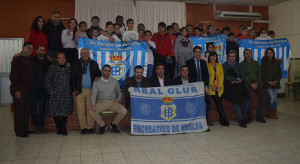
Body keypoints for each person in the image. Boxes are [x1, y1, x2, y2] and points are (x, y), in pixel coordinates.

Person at [90, 65, 127, 134]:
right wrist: (93, 105)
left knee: (123, 111)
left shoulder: (114, 81)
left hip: (112, 102)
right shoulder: (96, 82)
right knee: (92, 112)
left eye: (109, 71)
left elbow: (119, 93)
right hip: (101, 102)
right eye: (105, 70)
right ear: (102, 71)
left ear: (110, 72)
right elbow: (93, 95)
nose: (107, 72)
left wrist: (118, 99)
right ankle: (103, 125)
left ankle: (113, 124)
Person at [72, 48, 101, 134]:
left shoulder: (94, 63)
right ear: (80, 54)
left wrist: (98, 76)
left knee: (90, 109)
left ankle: (90, 127)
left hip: (91, 90)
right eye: (83, 53)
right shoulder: (76, 63)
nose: (85, 55)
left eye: (86, 53)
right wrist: (74, 89)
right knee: (80, 110)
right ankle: (83, 127)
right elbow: (72, 77)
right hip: (79, 90)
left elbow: (99, 73)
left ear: (89, 54)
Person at [10, 42, 35, 137]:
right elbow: (13, 76)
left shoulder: (30, 59)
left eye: (31, 48)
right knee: (19, 110)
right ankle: (19, 131)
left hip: (28, 88)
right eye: (28, 47)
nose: (30, 49)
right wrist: (16, 90)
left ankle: (25, 128)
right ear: (23, 48)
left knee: (26, 109)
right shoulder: (17, 59)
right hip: (19, 88)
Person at [45, 52, 73, 135]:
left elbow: (71, 80)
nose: (62, 59)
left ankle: (64, 128)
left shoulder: (68, 68)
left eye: (63, 58)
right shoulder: (52, 67)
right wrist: (51, 91)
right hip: (55, 94)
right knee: (55, 112)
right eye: (60, 58)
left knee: (64, 113)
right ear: (56, 59)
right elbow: (47, 80)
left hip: (66, 94)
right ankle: (58, 127)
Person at [222, 50, 250, 128]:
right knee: (234, 100)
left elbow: (242, 75)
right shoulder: (224, 65)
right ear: (228, 57)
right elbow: (226, 76)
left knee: (247, 97)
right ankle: (241, 120)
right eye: (230, 56)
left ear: (235, 57)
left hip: (239, 85)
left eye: (233, 56)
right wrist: (236, 78)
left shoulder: (238, 65)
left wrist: (238, 79)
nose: (232, 58)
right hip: (229, 85)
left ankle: (244, 117)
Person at [186, 46, 212, 127]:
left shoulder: (203, 62)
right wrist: (196, 84)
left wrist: (206, 86)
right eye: (196, 52)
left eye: (199, 52)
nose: (198, 53)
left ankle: (205, 120)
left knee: (208, 100)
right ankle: (192, 120)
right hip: (193, 86)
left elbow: (206, 76)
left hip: (203, 87)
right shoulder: (188, 62)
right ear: (193, 53)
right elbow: (188, 76)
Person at [241, 49, 266, 123]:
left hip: (256, 83)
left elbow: (259, 74)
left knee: (262, 95)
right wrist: (250, 84)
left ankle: (259, 116)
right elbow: (243, 76)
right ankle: (249, 116)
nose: (248, 55)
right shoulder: (242, 64)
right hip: (247, 83)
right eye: (246, 54)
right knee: (249, 96)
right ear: (243, 55)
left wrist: (257, 83)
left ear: (251, 54)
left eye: (249, 53)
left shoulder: (256, 63)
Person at [31, 45, 51, 133]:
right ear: (36, 51)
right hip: (34, 87)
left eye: (43, 50)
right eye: (40, 50)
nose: (42, 52)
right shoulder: (31, 60)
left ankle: (42, 125)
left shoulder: (48, 62)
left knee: (43, 107)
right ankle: (35, 125)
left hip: (44, 88)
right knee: (33, 107)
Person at [207, 52, 230, 126]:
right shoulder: (207, 66)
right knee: (218, 103)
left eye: (214, 56)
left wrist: (219, 86)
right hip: (212, 88)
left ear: (216, 57)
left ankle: (222, 120)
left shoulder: (220, 65)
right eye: (211, 57)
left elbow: (221, 76)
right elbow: (208, 77)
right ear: (209, 58)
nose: (213, 58)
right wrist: (212, 85)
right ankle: (224, 120)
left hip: (219, 88)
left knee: (219, 103)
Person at [261, 48, 282, 119]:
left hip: (276, 83)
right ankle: (270, 112)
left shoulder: (276, 61)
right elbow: (263, 73)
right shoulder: (264, 62)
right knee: (272, 98)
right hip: (268, 83)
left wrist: (276, 80)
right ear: (266, 54)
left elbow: (279, 72)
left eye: (271, 53)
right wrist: (268, 81)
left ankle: (274, 113)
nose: (270, 54)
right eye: (268, 53)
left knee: (275, 99)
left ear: (273, 53)